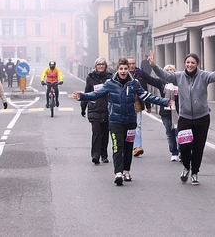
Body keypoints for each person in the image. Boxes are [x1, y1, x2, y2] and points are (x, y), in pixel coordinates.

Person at [73, 58, 173, 186]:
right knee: (117, 146)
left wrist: (164, 101)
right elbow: (96, 95)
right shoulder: (110, 83)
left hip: (130, 120)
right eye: (121, 69)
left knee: (128, 147)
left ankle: (126, 171)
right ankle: (118, 173)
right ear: (117, 70)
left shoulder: (134, 83)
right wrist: (82, 96)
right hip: (115, 121)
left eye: (125, 69)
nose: (124, 71)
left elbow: (147, 96)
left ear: (128, 70)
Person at [147, 52, 215, 185]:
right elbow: (164, 75)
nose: (190, 65)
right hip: (184, 117)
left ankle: (195, 173)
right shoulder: (178, 76)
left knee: (198, 147)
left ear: (197, 64)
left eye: (193, 63)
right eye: (188, 62)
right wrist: (154, 66)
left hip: (202, 118)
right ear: (185, 63)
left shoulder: (203, 76)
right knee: (184, 146)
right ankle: (186, 167)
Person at [135, 64, 180, 161]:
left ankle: (182, 152)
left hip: (178, 111)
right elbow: (150, 80)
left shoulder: (180, 82)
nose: (170, 71)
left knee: (179, 132)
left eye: (172, 70)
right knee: (169, 132)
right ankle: (174, 152)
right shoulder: (161, 82)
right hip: (166, 112)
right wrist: (143, 74)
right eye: (167, 70)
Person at [80, 57, 113, 165]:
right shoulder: (90, 77)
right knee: (96, 132)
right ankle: (95, 155)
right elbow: (87, 92)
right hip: (94, 108)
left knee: (105, 133)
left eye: (103, 64)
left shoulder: (110, 78)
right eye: (99, 65)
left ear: (105, 66)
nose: (101, 66)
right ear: (96, 66)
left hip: (106, 108)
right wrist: (83, 107)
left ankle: (104, 155)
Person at [127, 56, 151, 157]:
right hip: (126, 104)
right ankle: (127, 146)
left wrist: (148, 105)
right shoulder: (121, 75)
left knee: (138, 125)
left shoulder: (140, 75)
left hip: (137, 103)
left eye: (133, 63)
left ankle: (137, 146)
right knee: (127, 126)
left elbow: (145, 90)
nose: (131, 66)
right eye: (129, 64)